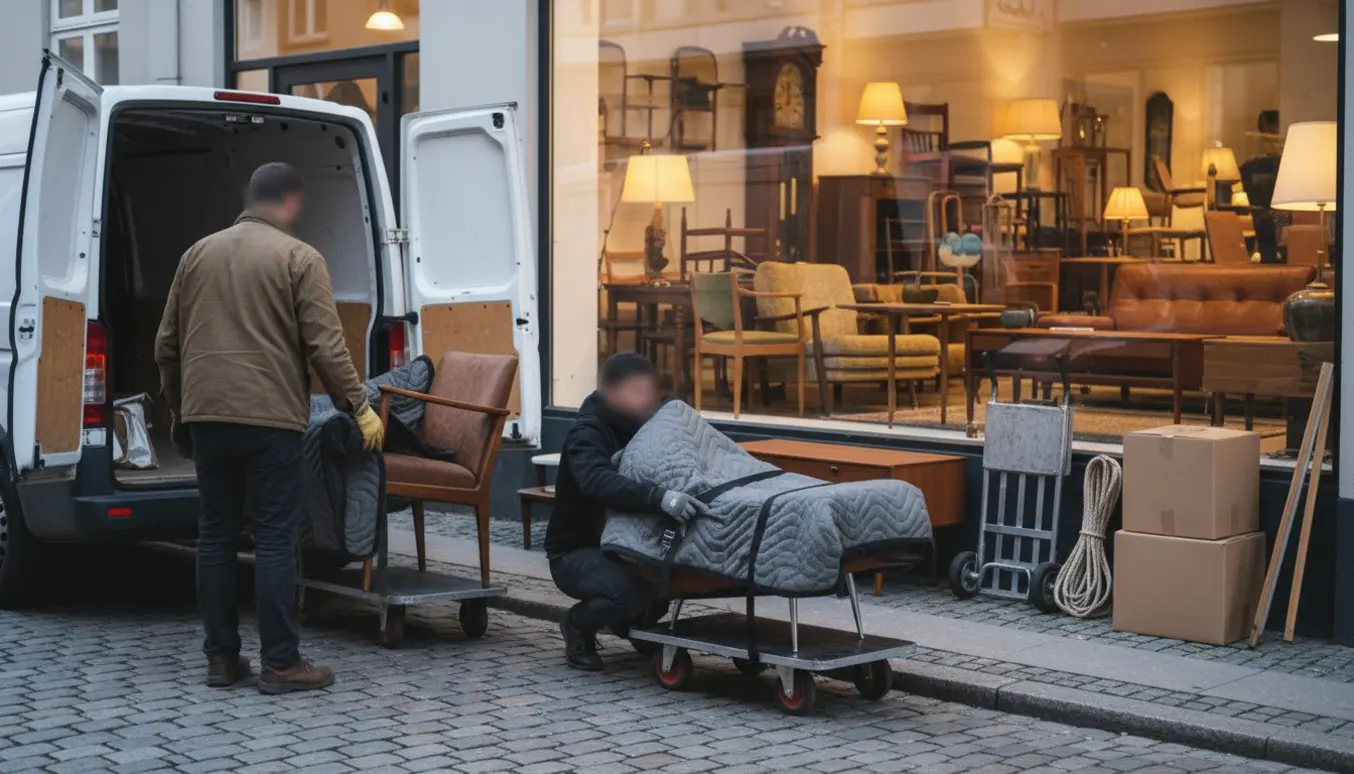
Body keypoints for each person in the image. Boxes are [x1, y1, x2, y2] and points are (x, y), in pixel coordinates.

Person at [155, 162, 386, 694]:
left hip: (208, 417)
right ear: (291, 201)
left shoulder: (196, 255)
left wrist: (180, 410)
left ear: (249, 198)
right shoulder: (300, 258)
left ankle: (221, 660)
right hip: (270, 421)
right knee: (276, 538)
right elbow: (325, 346)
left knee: (215, 536)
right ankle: (281, 663)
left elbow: (166, 345)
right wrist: (358, 406)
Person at [545, 353, 711, 671]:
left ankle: (631, 625)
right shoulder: (587, 432)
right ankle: (577, 624)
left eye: (649, 391)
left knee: (666, 580)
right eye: (636, 391)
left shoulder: (648, 421)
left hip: (628, 545)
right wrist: (658, 497)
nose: (646, 399)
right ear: (612, 392)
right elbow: (596, 481)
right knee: (631, 592)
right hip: (576, 551)